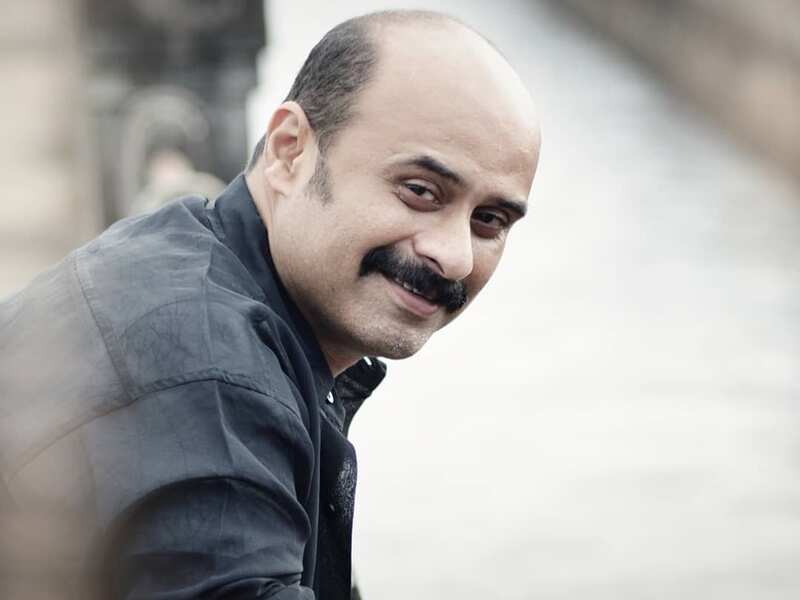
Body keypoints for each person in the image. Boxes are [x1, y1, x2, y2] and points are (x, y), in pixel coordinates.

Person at [0, 9, 540, 600]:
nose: (455, 256)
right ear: (289, 152)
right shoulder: (211, 384)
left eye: (490, 220)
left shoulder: (186, 257)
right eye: (420, 191)